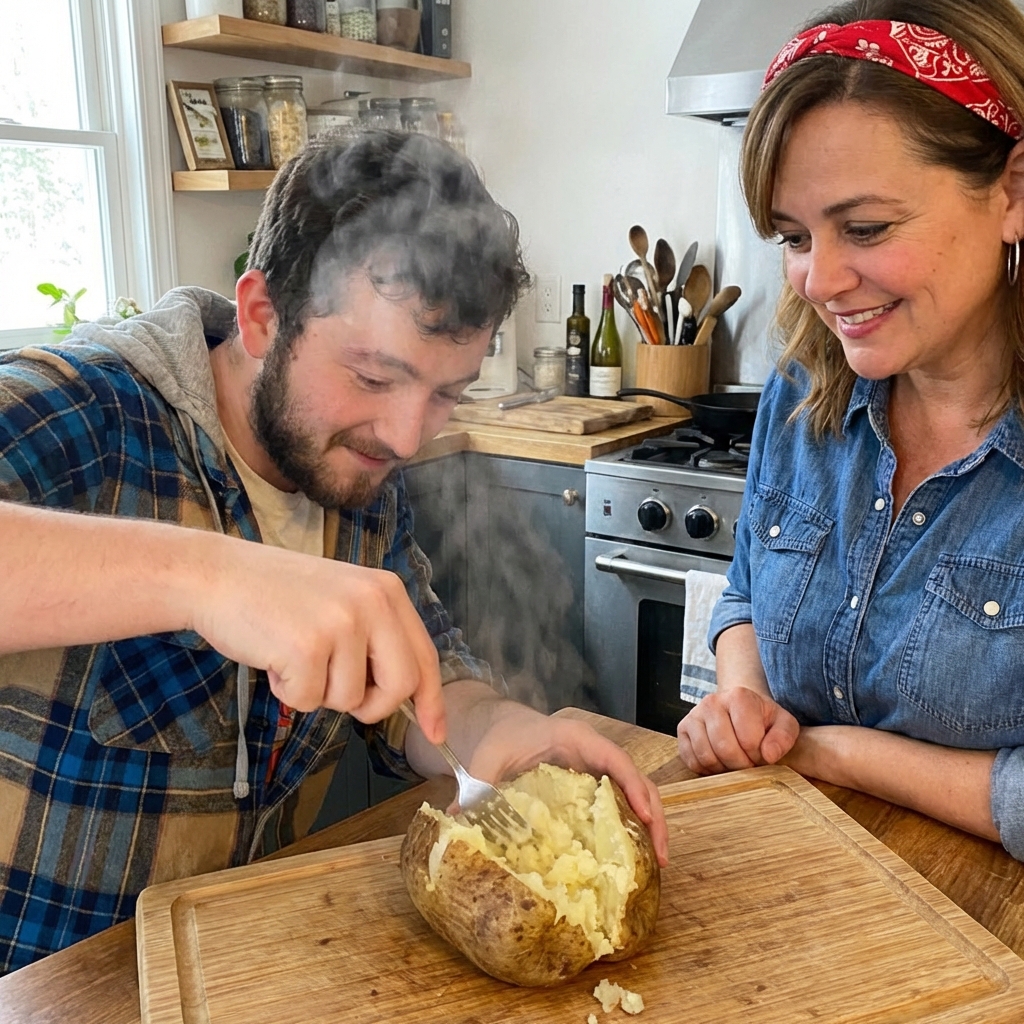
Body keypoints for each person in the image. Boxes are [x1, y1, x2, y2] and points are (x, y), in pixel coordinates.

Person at [0, 130, 667, 974]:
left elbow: (426, 684)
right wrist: (209, 575)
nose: (403, 433)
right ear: (260, 316)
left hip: (246, 970)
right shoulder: (80, 409)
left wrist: (510, 741)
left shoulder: (355, 479)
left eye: (445, 394)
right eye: (374, 377)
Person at [677, 0, 1024, 864]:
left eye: (864, 228)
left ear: (1013, 194)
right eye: (794, 236)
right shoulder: (805, 388)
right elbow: (749, 594)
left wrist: (825, 752)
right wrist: (741, 697)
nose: (818, 281)